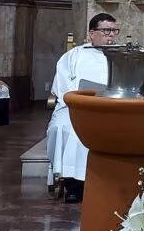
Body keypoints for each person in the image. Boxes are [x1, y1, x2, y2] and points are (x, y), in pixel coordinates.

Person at [46, 13, 119, 203]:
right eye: (106, 31)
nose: (111, 35)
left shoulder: (123, 55)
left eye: (114, 31)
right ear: (91, 33)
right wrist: (79, 101)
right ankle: (73, 185)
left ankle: (110, 183)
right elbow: (62, 86)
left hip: (113, 108)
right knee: (65, 128)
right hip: (75, 106)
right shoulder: (74, 55)